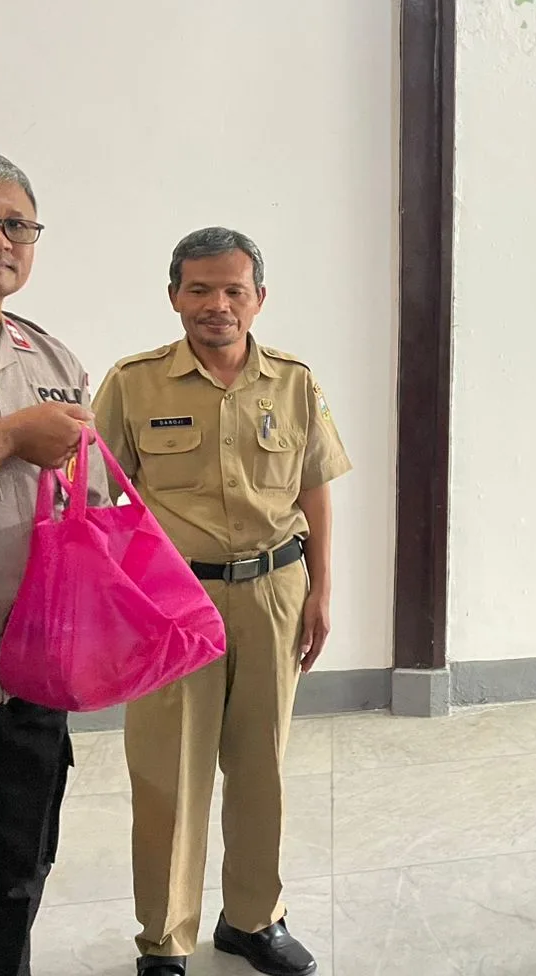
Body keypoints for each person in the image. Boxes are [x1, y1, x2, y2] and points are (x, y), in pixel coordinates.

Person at [92, 228, 352, 976]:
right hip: (173, 602)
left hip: (275, 590)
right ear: (175, 296)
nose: (218, 304)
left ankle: (253, 919)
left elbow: (314, 488)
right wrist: (119, 603)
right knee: (169, 773)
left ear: (258, 298)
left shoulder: (294, 382)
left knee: (261, 765)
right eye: (200, 289)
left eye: (234, 290)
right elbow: (97, 497)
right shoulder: (133, 383)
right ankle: (165, 937)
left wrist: (321, 591)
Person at [0, 147, 100, 976]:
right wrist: (3, 440)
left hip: (28, 679)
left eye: (17, 226)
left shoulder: (52, 358)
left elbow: (88, 497)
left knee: (5, 884)